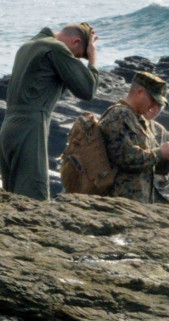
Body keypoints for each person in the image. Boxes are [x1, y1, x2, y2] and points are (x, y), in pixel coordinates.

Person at [0, 22, 100, 200]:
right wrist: (92, 59)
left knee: (12, 199)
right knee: (34, 198)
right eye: (77, 56)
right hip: (30, 127)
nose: (74, 59)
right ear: (76, 42)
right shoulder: (56, 49)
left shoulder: (28, 46)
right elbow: (87, 90)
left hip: (8, 128)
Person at [98, 71, 169, 203]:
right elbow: (124, 157)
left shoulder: (139, 121)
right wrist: (159, 153)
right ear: (139, 92)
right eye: (152, 100)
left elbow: (153, 169)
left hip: (136, 203)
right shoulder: (119, 114)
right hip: (117, 200)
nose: (154, 107)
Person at [144, 102, 169, 205]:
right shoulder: (127, 121)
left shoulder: (162, 132)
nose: (155, 109)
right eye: (153, 104)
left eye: (159, 107)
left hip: (160, 197)